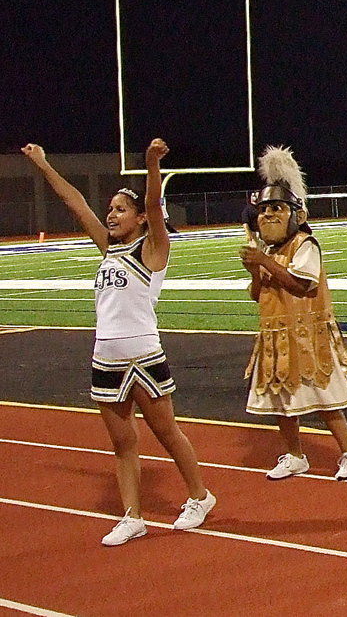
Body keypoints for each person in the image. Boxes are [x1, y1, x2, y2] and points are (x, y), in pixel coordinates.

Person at [23, 139, 216, 546]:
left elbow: (152, 197)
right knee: (122, 443)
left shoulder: (153, 249)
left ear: (143, 218)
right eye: (110, 209)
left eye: (120, 209)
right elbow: (75, 203)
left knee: (167, 433)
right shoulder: (108, 248)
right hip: (105, 357)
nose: (110, 215)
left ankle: (200, 496)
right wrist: (43, 164)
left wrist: (150, 164)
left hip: (144, 354)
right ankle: (133, 515)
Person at [238, 147, 347, 482]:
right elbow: (258, 294)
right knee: (281, 402)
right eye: (264, 209)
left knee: (325, 398)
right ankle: (295, 454)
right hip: (275, 335)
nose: (268, 215)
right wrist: (256, 268)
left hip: (307, 334)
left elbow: (303, 286)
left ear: (294, 214)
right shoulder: (268, 250)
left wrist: (264, 263)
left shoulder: (305, 245)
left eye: (276, 208)